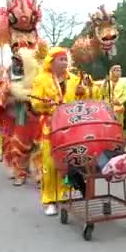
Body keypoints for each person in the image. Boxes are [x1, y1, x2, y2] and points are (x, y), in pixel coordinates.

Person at [31, 47, 84, 216]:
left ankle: (63, 194)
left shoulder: (74, 79)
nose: (65, 62)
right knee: (49, 162)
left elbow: (81, 101)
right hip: (49, 125)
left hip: (69, 126)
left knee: (67, 161)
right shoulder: (41, 80)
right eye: (61, 59)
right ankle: (49, 200)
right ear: (51, 62)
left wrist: (83, 93)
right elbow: (35, 103)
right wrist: (46, 103)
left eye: (65, 59)